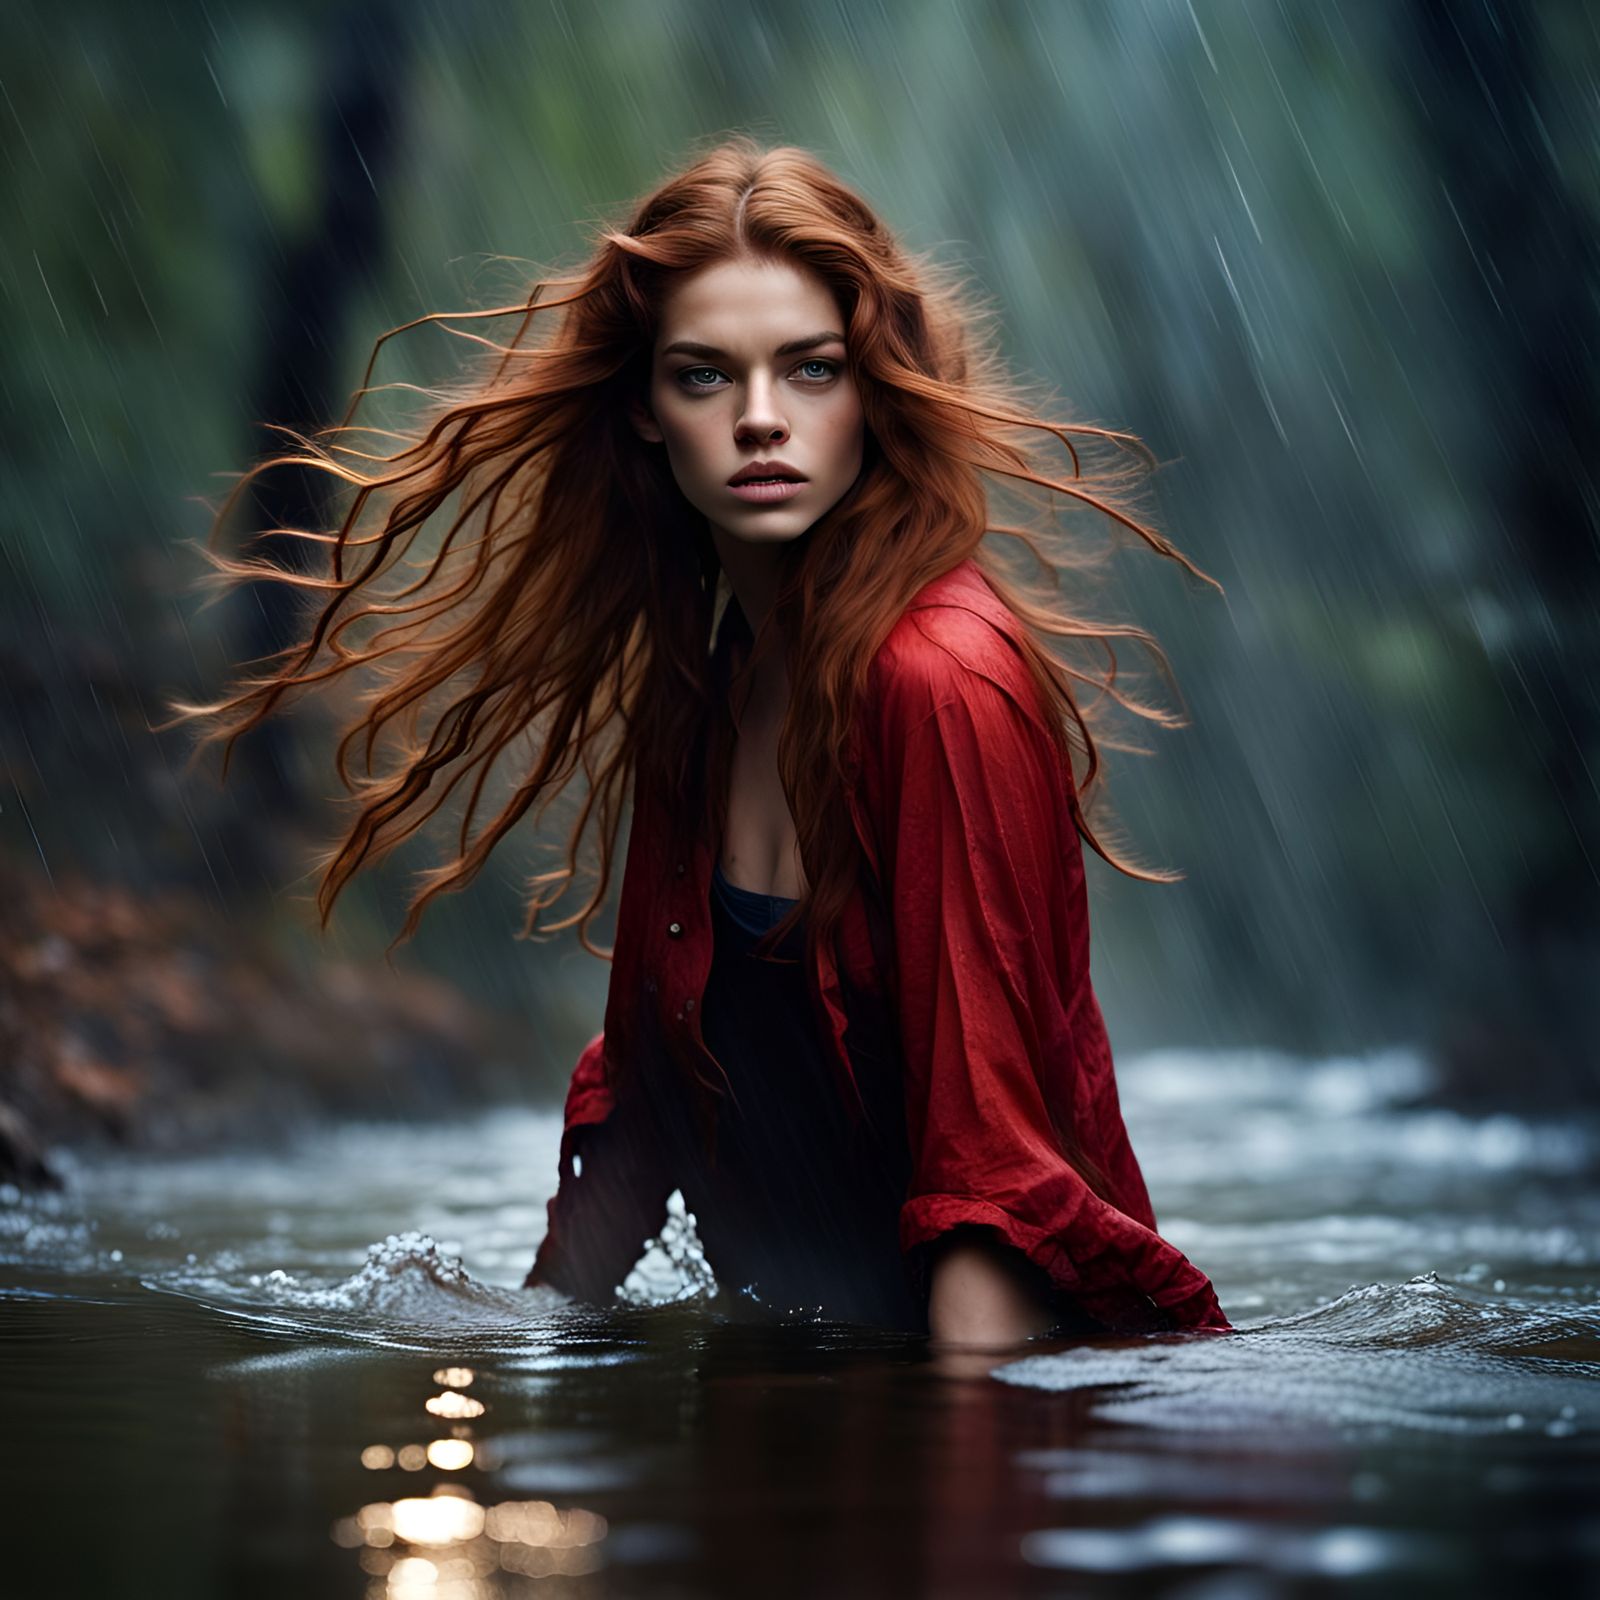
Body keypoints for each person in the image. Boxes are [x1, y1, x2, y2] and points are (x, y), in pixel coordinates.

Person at [167, 135, 1230, 1349]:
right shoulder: (712, 682)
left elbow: (989, 1189)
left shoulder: (943, 685)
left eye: (812, 370)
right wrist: (517, 1367)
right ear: (645, 409)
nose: (763, 420)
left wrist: (956, 1495)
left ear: (874, 389)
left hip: (1024, 1418)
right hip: (815, 1393)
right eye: (706, 376)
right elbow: (650, 1088)